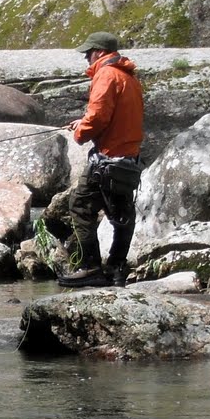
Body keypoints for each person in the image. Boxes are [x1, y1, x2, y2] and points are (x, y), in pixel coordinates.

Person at [59, 31, 144, 287]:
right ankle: (117, 269)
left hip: (107, 159)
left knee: (80, 205)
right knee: (122, 215)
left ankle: (90, 268)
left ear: (99, 52)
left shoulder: (106, 75)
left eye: (88, 52)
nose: (86, 57)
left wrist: (80, 132)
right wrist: (82, 122)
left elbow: (98, 117)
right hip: (128, 160)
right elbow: (112, 115)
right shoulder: (128, 76)